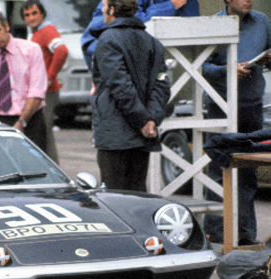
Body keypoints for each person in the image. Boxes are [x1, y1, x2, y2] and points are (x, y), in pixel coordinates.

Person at [201, 0, 271, 246]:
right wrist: (227, 70)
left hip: (251, 104)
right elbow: (201, 67)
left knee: (248, 169)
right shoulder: (213, 25)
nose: (248, 0)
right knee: (219, 167)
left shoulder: (262, 21)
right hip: (220, 104)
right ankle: (215, 233)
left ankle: (244, 234)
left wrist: (267, 60)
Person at [90, 0, 170, 192]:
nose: (101, 9)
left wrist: (143, 121)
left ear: (112, 9)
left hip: (115, 136)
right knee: (137, 196)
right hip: (142, 136)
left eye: (104, 5)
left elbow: (120, 86)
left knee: (115, 199)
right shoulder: (152, 41)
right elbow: (162, 84)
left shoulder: (107, 39)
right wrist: (151, 120)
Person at [0, 8, 47, 153]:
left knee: (34, 167)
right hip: (3, 120)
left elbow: (36, 92)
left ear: (6, 26)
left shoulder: (31, 50)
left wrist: (21, 122)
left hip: (31, 118)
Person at [81, 0, 199, 72]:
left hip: (145, 49)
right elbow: (129, 17)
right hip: (102, 46)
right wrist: (170, 6)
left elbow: (192, 27)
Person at [21, 0, 68, 164]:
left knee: (45, 133)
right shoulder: (35, 33)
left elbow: (62, 51)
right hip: (39, 92)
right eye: (27, 15)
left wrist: (50, 76)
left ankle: (55, 172)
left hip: (47, 92)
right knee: (39, 132)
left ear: (42, 14)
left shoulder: (47, 30)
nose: (31, 17)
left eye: (34, 13)